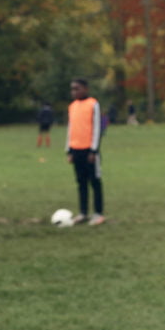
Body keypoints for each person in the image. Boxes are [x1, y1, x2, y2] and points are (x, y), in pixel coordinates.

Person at [66, 78, 105, 225]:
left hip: (89, 150)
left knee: (94, 181)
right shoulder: (72, 106)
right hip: (76, 149)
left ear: (85, 89)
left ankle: (98, 213)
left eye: (77, 88)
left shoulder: (93, 104)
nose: (74, 92)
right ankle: (83, 212)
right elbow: (71, 128)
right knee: (81, 182)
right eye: (72, 89)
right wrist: (69, 150)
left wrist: (93, 150)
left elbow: (96, 128)